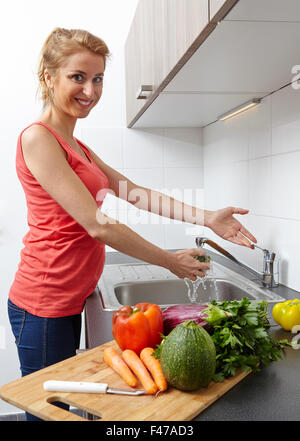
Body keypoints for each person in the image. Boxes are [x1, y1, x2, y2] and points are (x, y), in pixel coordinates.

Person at [7, 28, 256, 421]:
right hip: (43, 301)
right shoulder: (39, 139)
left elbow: (135, 192)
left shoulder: (79, 146)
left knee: (62, 405)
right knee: (48, 412)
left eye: (98, 78)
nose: (90, 90)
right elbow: (98, 225)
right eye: (78, 77)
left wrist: (207, 218)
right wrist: (169, 261)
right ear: (48, 76)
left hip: (68, 298)